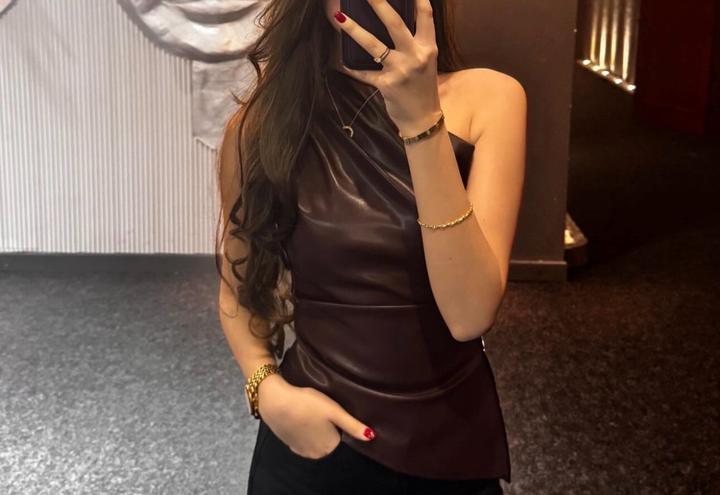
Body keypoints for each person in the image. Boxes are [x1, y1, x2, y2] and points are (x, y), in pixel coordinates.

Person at [215, 0, 527, 493]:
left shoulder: (490, 99)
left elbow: (469, 313)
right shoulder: (262, 124)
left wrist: (421, 123)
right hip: (311, 441)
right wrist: (266, 389)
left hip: (449, 445)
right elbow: (238, 289)